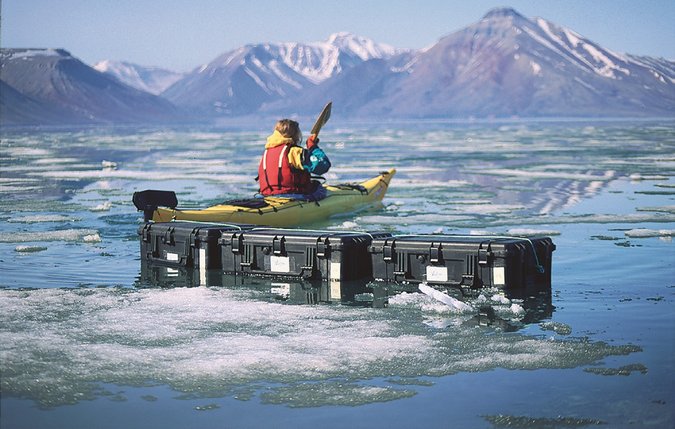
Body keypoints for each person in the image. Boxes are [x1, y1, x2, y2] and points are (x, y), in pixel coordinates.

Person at [257, 119, 331, 199]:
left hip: (266, 197)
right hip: (293, 195)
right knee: (319, 188)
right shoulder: (293, 151)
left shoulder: (266, 153)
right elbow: (322, 166)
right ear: (295, 135)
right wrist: (312, 147)